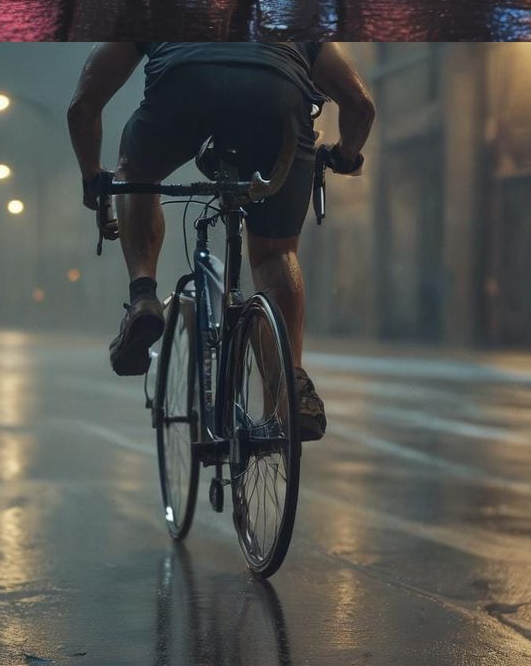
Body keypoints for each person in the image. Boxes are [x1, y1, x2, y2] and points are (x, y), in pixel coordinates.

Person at [66, 42, 376, 442]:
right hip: (276, 102)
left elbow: (83, 105)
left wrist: (94, 179)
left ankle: (143, 294)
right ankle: (291, 387)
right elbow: (360, 105)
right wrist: (346, 155)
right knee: (276, 253)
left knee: (135, 171)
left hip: (183, 90)